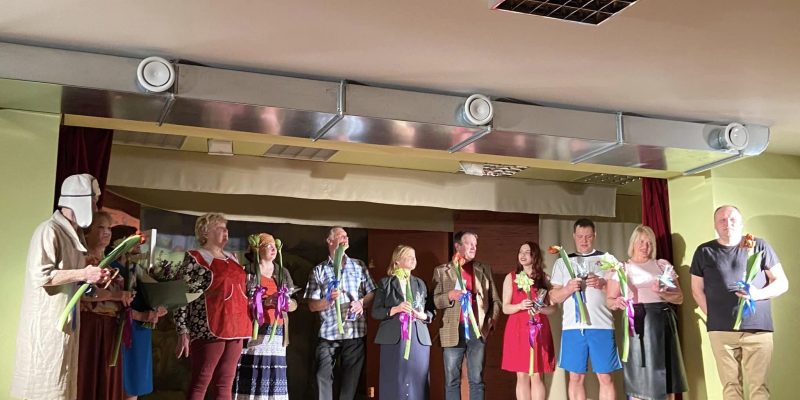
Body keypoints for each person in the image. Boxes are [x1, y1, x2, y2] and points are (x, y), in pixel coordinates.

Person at [12, 173, 111, 400]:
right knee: (43, 384)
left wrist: (90, 275)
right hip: (47, 322)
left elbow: (72, 276)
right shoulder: (49, 230)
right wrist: (83, 273)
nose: (95, 208)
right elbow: (41, 275)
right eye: (93, 201)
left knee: (62, 385)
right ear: (80, 199)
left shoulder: (75, 235)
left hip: (66, 322)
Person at [690, 205, 789, 400]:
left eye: (732, 219)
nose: (728, 224)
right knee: (730, 388)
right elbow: (696, 290)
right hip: (721, 333)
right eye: (722, 220)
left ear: (741, 223)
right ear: (715, 225)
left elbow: (782, 283)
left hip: (757, 329)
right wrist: (715, 316)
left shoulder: (759, 246)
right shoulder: (704, 251)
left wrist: (757, 294)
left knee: (759, 388)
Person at [173, 213, 252, 400]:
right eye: (220, 228)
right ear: (205, 232)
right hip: (208, 327)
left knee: (225, 383)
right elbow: (180, 295)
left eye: (226, 228)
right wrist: (182, 330)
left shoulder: (233, 258)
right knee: (201, 381)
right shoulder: (195, 258)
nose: (226, 231)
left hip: (237, 327)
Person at [606, 225, 688, 400]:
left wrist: (662, 293)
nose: (645, 246)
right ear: (633, 243)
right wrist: (617, 302)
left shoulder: (662, 265)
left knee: (667, 377)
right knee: (640, 376)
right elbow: (610, 300)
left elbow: (679, 298)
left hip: (663, 321)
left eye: (649, 243)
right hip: (637, 323)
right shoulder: (621, 268)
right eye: (641, 242)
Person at [549, 218, 621, 400]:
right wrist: (568, 289)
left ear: (595, 235)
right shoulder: (562, 262)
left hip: (602, 326)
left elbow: (620, 292)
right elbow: (553, 297)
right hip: (573, 328)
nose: (584, 240)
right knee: (575, 377)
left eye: (588, 236)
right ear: (574, 236)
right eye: (580, 236)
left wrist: (602, 283)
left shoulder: (608, 259)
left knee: (605, 377)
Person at [304, 226, 377, 400]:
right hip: (328, 333)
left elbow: (372, 293)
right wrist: (328, 300)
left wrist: (361, 303)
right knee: (322, 375)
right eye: (341, 236)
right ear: (330, 241)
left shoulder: (359, 265)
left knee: (351, 379)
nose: (346, 238)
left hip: (354, 331)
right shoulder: (319, 270)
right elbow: (312, 305)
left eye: (347, 236)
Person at [432, 231, 501, 400]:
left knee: (477, 380)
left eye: (475, 245)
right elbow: (434, 301)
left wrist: (490, 322)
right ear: (458, 246)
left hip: (478, 331)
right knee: (451, 380)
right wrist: (450, 296)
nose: (473, 248)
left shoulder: (484, 269)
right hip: (452, 331)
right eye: (469, 244)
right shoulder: (442, 271)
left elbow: (496, 300)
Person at [76, 211, 134, 400]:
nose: (107, 232)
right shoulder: (83, 261)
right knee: (89, 375)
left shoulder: (111, 265)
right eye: (100, 227)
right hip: (91, 326)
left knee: (107, 377)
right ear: (87, 232)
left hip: (111, 328)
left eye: (109, 228)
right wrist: (116, 295)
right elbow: (83, 293)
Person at [233, 233, 297, 400]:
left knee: (273, 373)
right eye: (268, 245)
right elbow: (240, 301)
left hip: (277, 332)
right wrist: (264, 302)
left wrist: (288, 304)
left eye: (274, 245)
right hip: (254, 331)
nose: (273, 249)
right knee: (253, 371)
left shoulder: (282, 272)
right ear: (257, 249)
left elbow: (294, 302)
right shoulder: (247, 271)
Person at [110, 224, 168, 400]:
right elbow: (112, 305)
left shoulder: (136, 268)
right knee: (122, 380)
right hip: (123, 330)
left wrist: (158, 307)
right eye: (134, 241)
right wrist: (140, 315)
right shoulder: (111, 267)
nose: (139, 245)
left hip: (141, 330)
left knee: (135, 382)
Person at [371, 245, 435, 400]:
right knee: (394, 377)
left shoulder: (420, 283)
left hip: (418, 337)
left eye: (414, 256)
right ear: (397, 261)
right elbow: (376, 312)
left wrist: (421, 315)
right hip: (393, 338)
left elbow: (431, 312)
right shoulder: (385, 283)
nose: (413, 259)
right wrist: (395, 309)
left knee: (418, 378)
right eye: (408, 256)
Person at [501, 241, 556, 400]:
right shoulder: (511, 277)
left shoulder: (545, 278)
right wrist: (520, 305)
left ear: (535, 255)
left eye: (527, 252)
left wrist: (541, 309)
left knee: (537, 374)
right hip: (517, 329)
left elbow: (553, 308)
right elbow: (505, 308)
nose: (523, 255)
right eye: (521, 252)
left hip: (538, 329)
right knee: (522, 375)